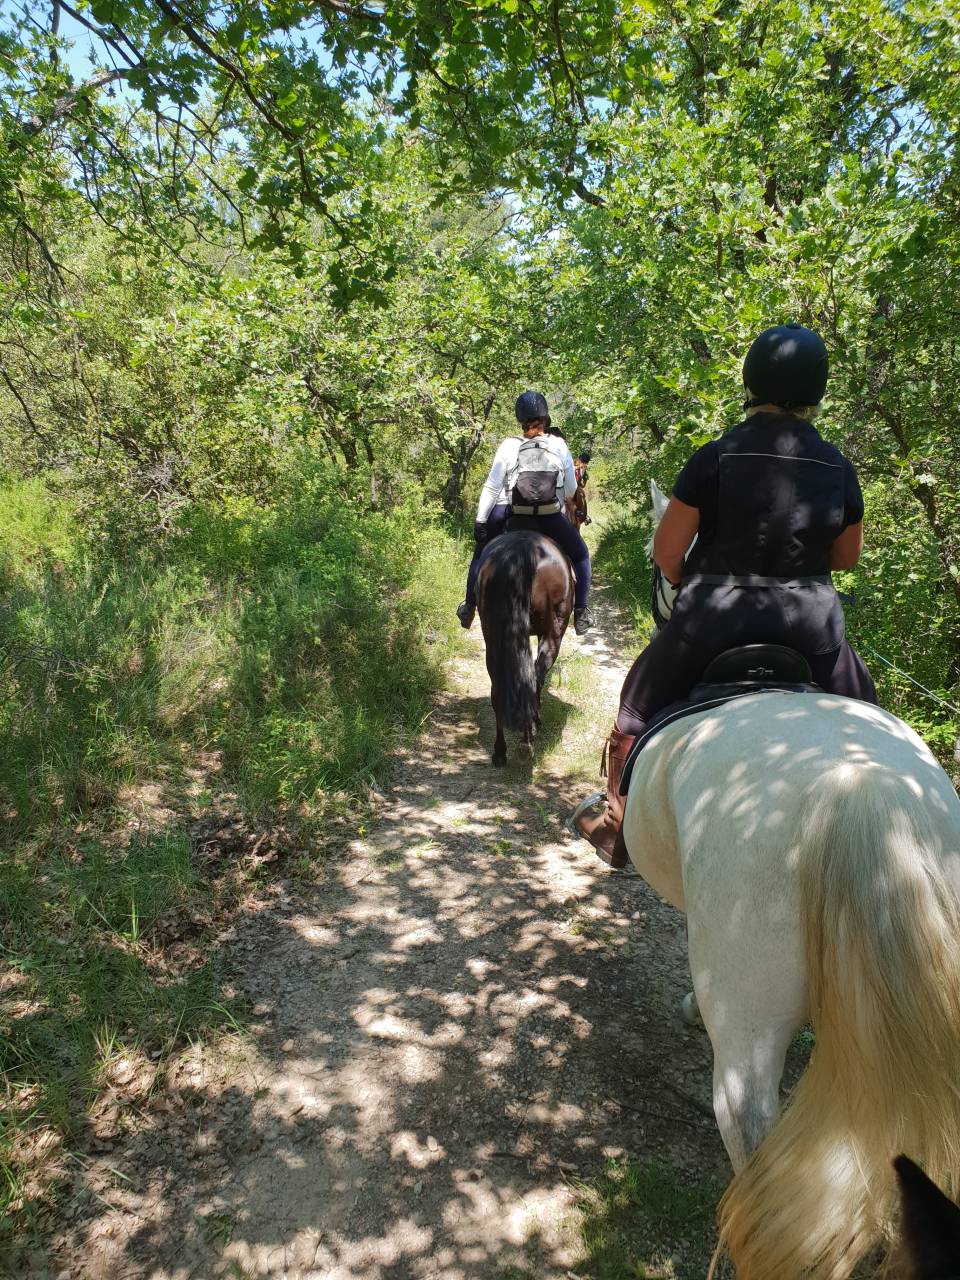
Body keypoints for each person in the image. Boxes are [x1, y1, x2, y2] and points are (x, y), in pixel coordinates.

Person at [574, 323, 878, 864]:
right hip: (811, 626)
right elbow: (846, 557)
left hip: (713, 622)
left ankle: (615, 826)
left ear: (751, 382)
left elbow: (668, 552)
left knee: (635, 710)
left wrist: (683, 581)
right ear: (817, 390)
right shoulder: (837, 466)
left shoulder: (714, 457)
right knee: (877, 726)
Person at [457, 391, 594, 635]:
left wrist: (480, 520)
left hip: (512, 514)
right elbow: (571, 489)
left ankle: (469, 605)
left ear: (520, 421)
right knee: (581, 555)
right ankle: (582, 612)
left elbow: (493, 485)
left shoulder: (509, 446)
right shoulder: (558, 445)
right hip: (550, 518)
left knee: (480, 553)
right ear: (545, 418)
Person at [573, 447, 592, 529]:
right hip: (567, 482)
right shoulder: (573, 462)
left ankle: (584, 515)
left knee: (582, 494)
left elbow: (583, 483)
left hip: (576, 485)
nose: (584, 463)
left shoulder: (584, 467)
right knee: (581, 494)